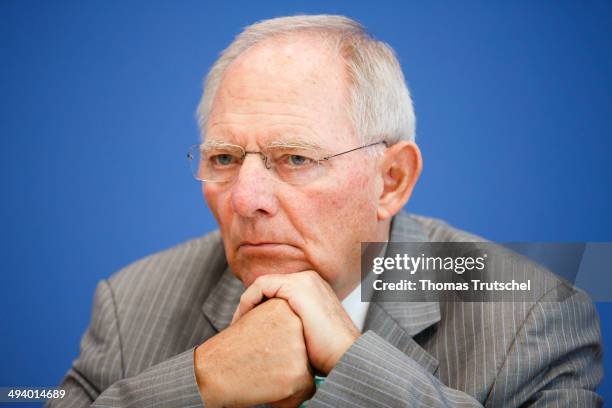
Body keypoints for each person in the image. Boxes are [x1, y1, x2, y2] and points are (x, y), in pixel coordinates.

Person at [47, 15, 603, 408]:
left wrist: (354, 362)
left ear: (392, 180)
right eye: (223, 158)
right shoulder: (131, 304)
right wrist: (201, 382)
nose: (246, 199)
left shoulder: (533, 316)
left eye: (294, 157)